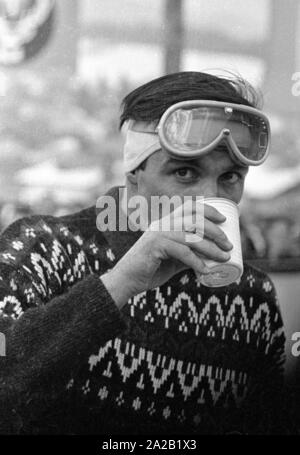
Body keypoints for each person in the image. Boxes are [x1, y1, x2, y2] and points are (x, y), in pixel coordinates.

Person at [0, 72, 286, 435]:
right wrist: (119, 284)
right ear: (135, 172)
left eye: (230, 177)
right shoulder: (43, 248)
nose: (209, 197)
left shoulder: (253, 300)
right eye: (184, 171)